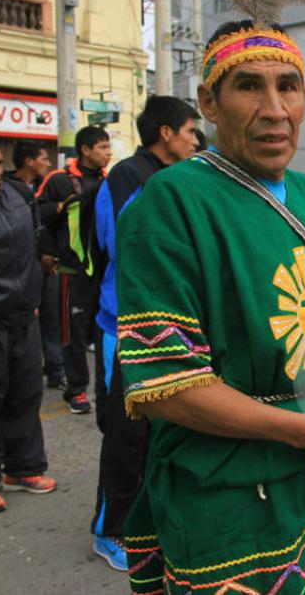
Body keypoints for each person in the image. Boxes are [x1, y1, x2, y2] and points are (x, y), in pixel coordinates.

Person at [118, 0, 305, 594]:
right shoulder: (171, 203)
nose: (275, 110)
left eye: (288, 87)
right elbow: (168, 385)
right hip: (225, 494)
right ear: (209, 103)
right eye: (249, 86)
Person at [89, 95, 201, 570]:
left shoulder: (177, 176)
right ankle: (109, 530)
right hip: (125, 329)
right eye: (191, 130)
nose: (197, 139)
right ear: (166, 133)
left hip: (171, 326)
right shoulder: (128, 176)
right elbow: (125, 243)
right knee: (125, 436)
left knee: (161, 436)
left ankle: (148, 525)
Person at [0, 131, 56, 515]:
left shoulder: (18, 194)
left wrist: (34, 296)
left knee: (25, 395)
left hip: (25, 316)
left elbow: (34, 246)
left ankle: (23, 468)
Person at [37, 125, 112, 414]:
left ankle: (105, 388)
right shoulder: (60, 180)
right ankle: (76, 390)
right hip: (71, 270)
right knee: (74, 334)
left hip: (100, 270)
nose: (108, 153)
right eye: (103, 147)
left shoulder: (108, 180)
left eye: (108, 147)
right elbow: (38, 213)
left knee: (103, 329)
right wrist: (61, 208)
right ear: (85, 150)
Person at [7, 140, 66, 390]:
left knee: (51, 318)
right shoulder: (10, 190)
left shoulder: (43, 187)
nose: (48, 164)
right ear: (29, 161)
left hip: (46, 264)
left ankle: (55, 370)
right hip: (25, 269)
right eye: (44, 159)